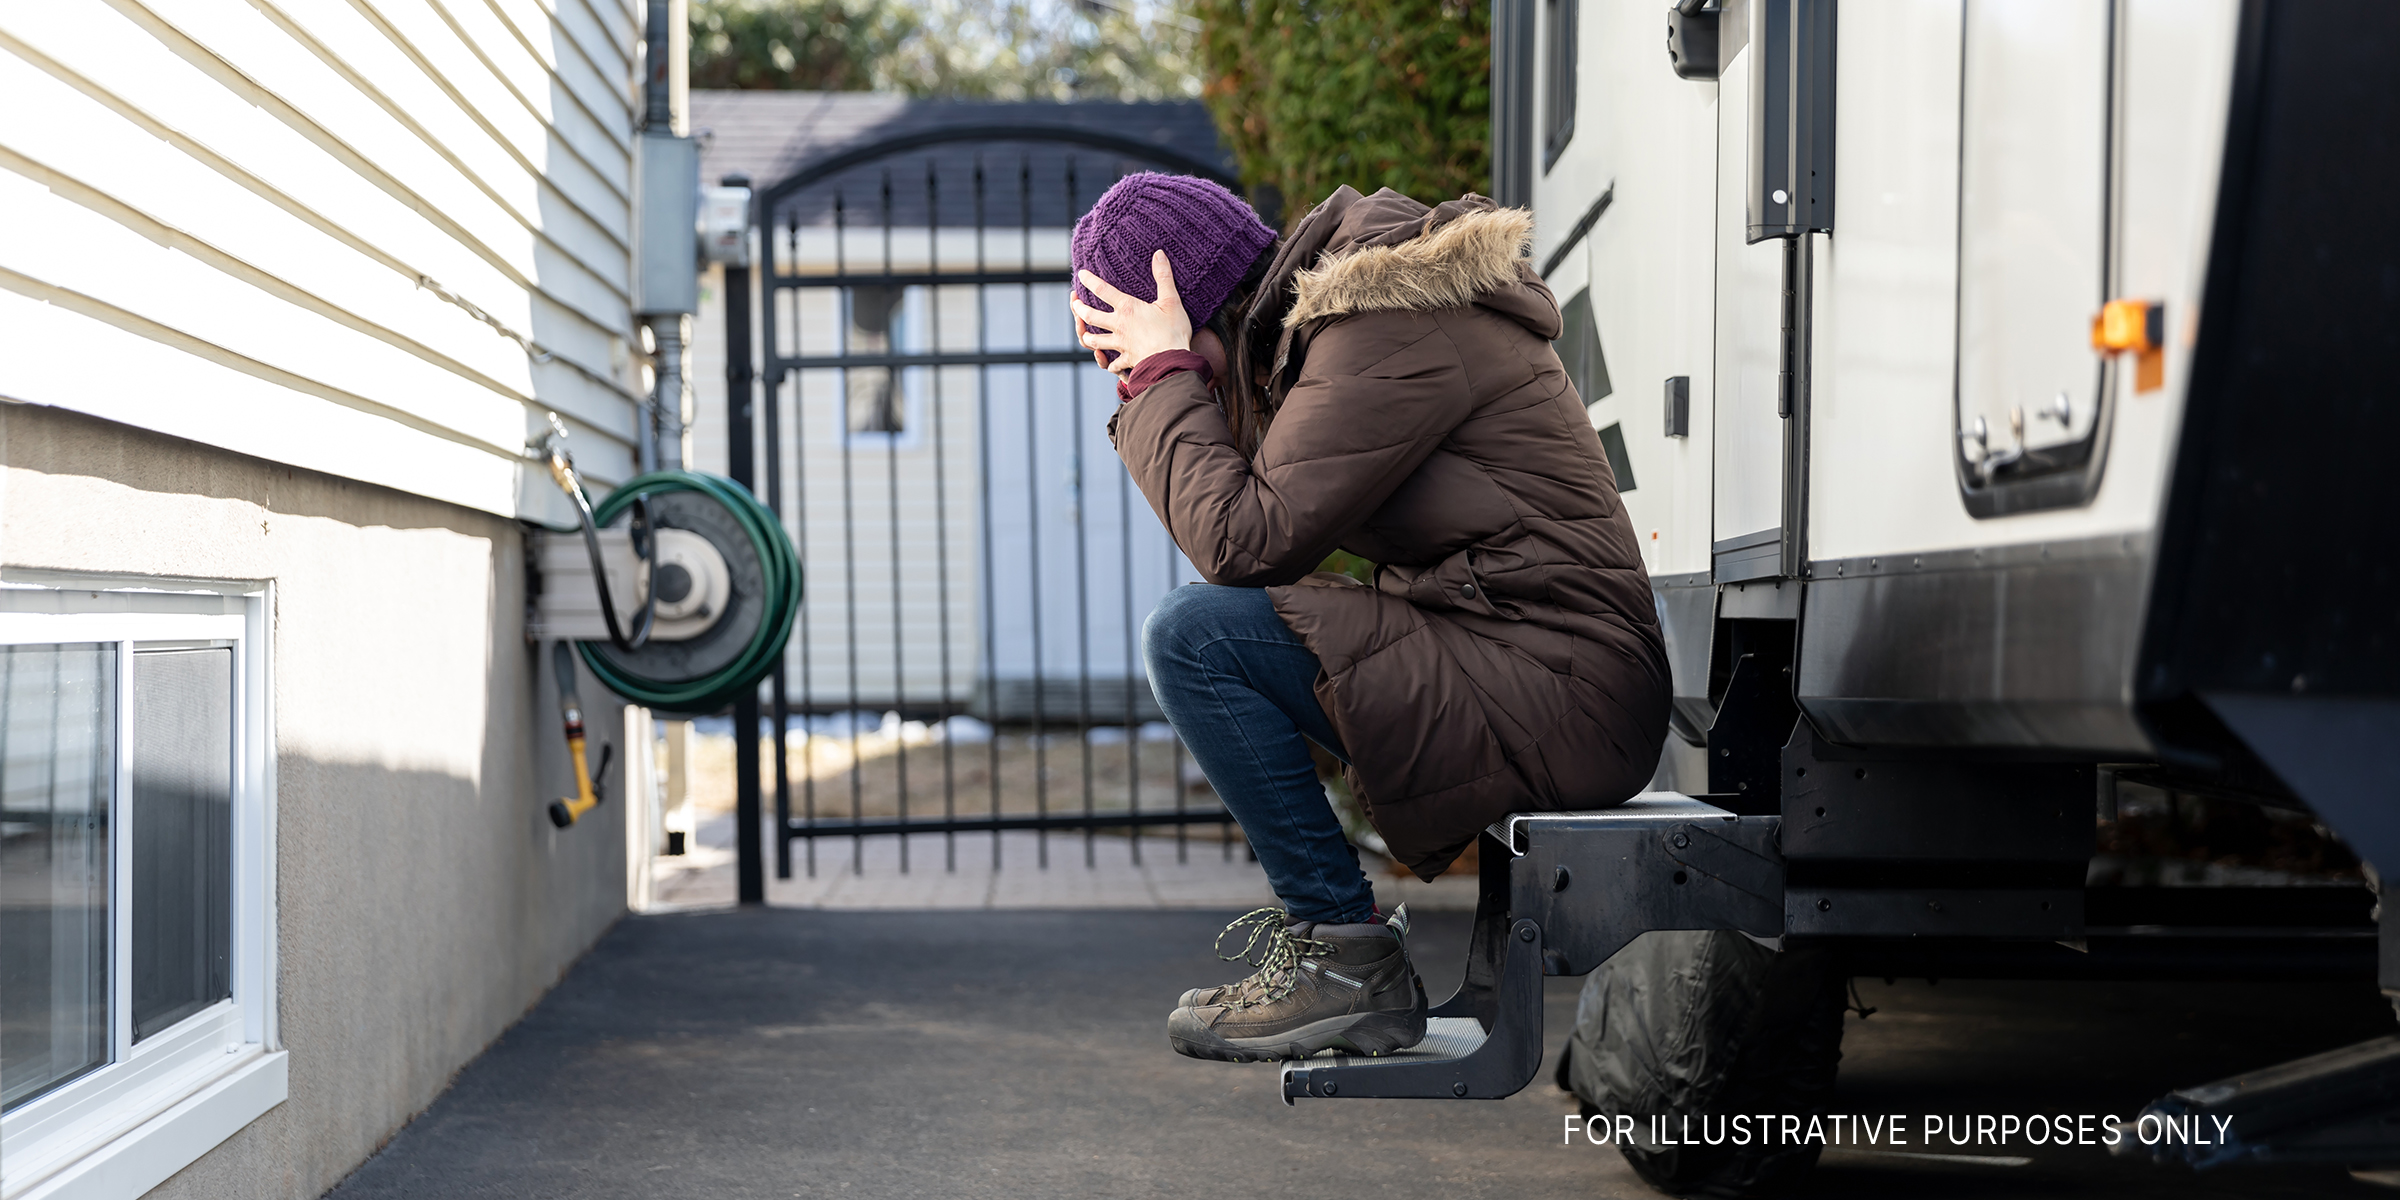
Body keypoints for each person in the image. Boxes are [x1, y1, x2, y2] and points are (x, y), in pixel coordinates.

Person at [1068, 174, 1668, 1063]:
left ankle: (1342, 959)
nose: (1132, 383)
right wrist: (1169, 375)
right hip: (1525, 664)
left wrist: (1164, 377)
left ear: (1203, 311)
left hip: (1565, 689)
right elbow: (1253, 522)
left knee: (1195, 639)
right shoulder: (1326, 340)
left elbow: (1244, 540)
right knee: (1212, 631)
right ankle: (1339, 954)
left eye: (1134, 355)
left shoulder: (1384, 326)